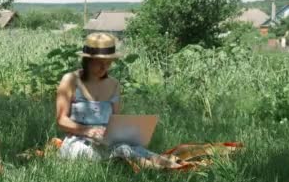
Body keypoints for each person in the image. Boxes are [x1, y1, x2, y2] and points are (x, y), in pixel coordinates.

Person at [55, 32, 190, 169]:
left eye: (108, 63)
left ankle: (173, 168)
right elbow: (61, 120)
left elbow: (115, 121)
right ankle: (159, 171)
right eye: (99, 63)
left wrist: (115, 133)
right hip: (78, 142)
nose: (104, 68)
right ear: (87, 60)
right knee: (122, 151)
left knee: (136, 150)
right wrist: (87, 130)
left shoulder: (114, 84)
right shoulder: (70, 80)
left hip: (104, 140)